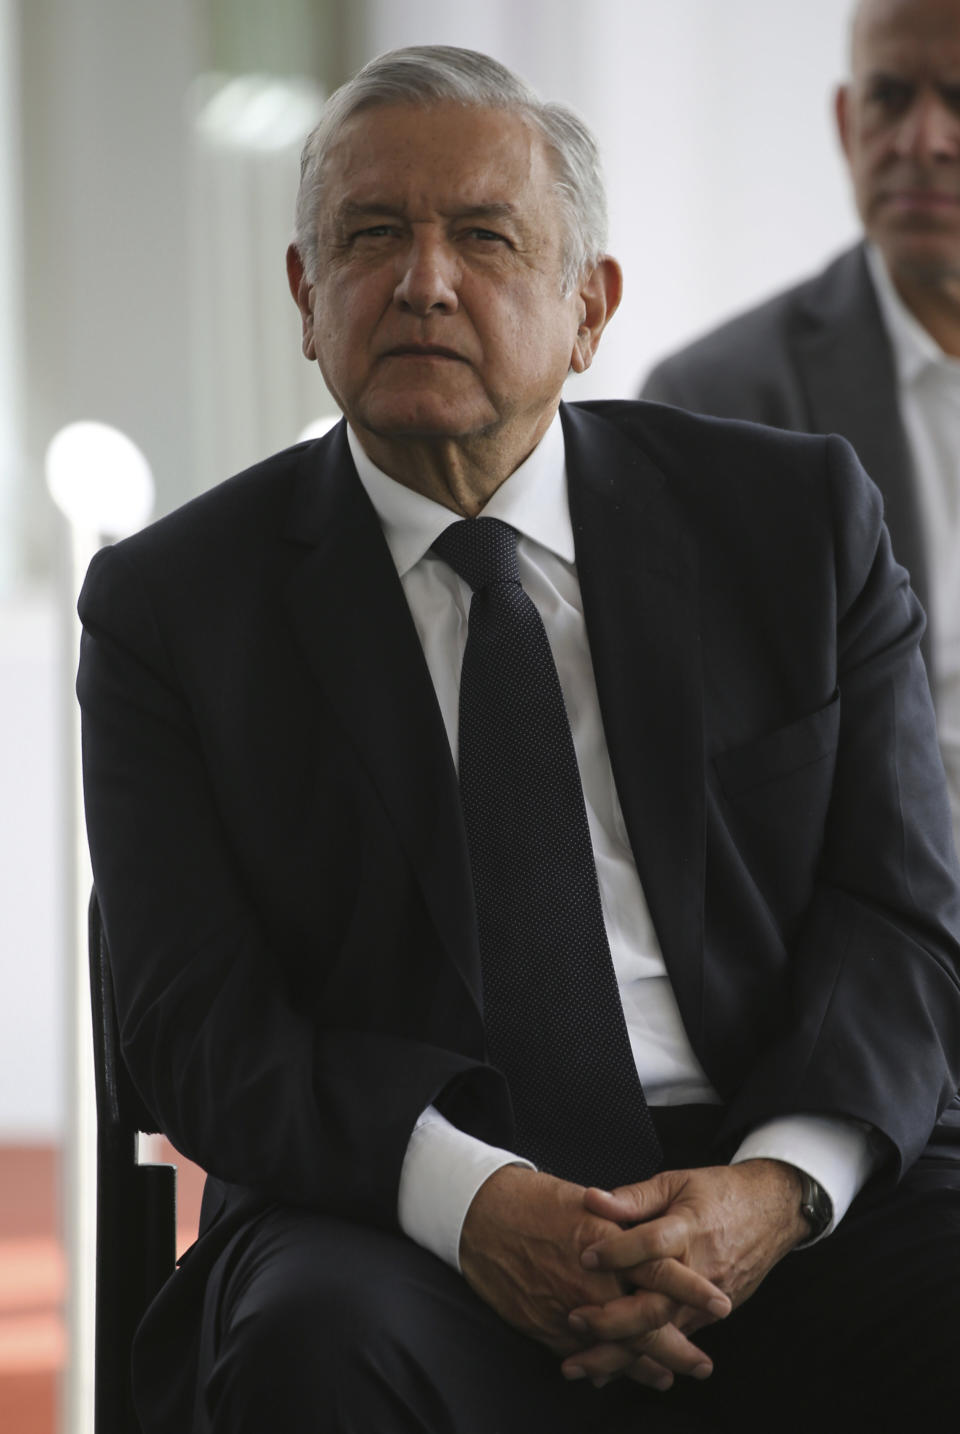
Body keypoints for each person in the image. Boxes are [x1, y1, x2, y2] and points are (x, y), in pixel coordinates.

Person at [77, 44, 960, 1434]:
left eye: (485, 236)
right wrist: (474, 1201)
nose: (424, 280)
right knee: (311, 1345)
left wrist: (772, 1188)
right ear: (308, 300)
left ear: (590, 307)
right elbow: (200, 1028)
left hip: (760, 1180)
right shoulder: (172, 609)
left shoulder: (794, 526)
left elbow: (902, 918)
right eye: (372, 237)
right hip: (394, 1211)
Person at [642, 0, 960, 857]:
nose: (921, 139)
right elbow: (707, 775)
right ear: (846, 120)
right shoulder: (714, 404)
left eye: (959, 98)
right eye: (891, 97)